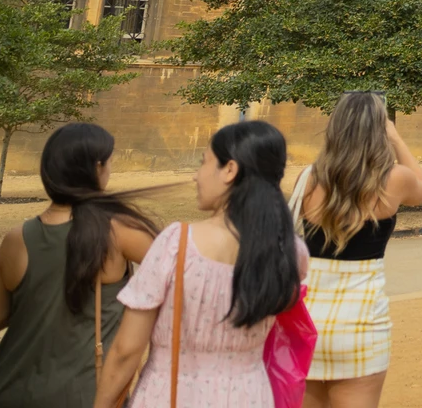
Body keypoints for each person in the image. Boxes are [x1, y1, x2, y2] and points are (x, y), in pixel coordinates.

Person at [92, 120, 309, 408]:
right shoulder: (291, 251)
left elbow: (126, 350)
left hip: (172, 395)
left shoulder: (176, 244)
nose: (196, 176)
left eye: (204, 162)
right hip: (250, 396)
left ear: (230, 170)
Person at [0, 124, 157, 408]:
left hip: (6, 393)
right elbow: (182, 275)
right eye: (110, 162)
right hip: (84, 396)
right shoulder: (117, 230)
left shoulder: (16, 239)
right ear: (97, 168)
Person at [292, 92, 422, 407]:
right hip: (361, 324)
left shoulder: (307, 179)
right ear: (378, 130)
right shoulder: (394, 179)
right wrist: (395, 137)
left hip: (307, 324)